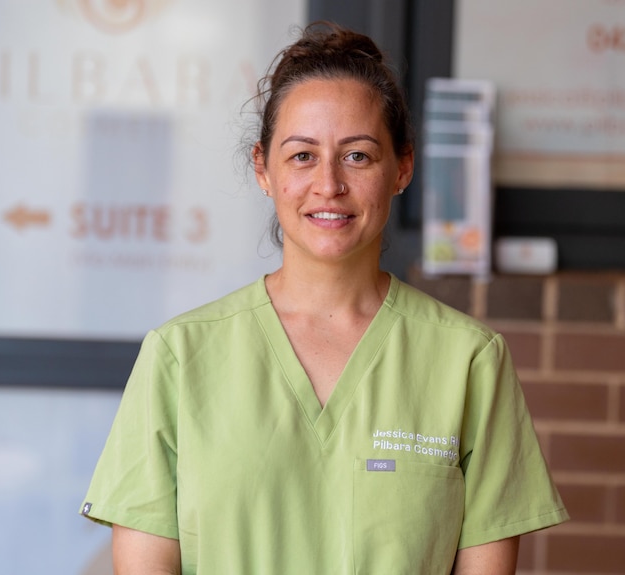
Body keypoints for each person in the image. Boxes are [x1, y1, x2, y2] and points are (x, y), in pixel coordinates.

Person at [80, 21, 568, 575]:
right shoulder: (179, 356)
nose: (329, 184)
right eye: (302, 156)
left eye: (358, 156)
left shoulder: (469, 361)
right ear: (263, 169)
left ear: (402, 168)